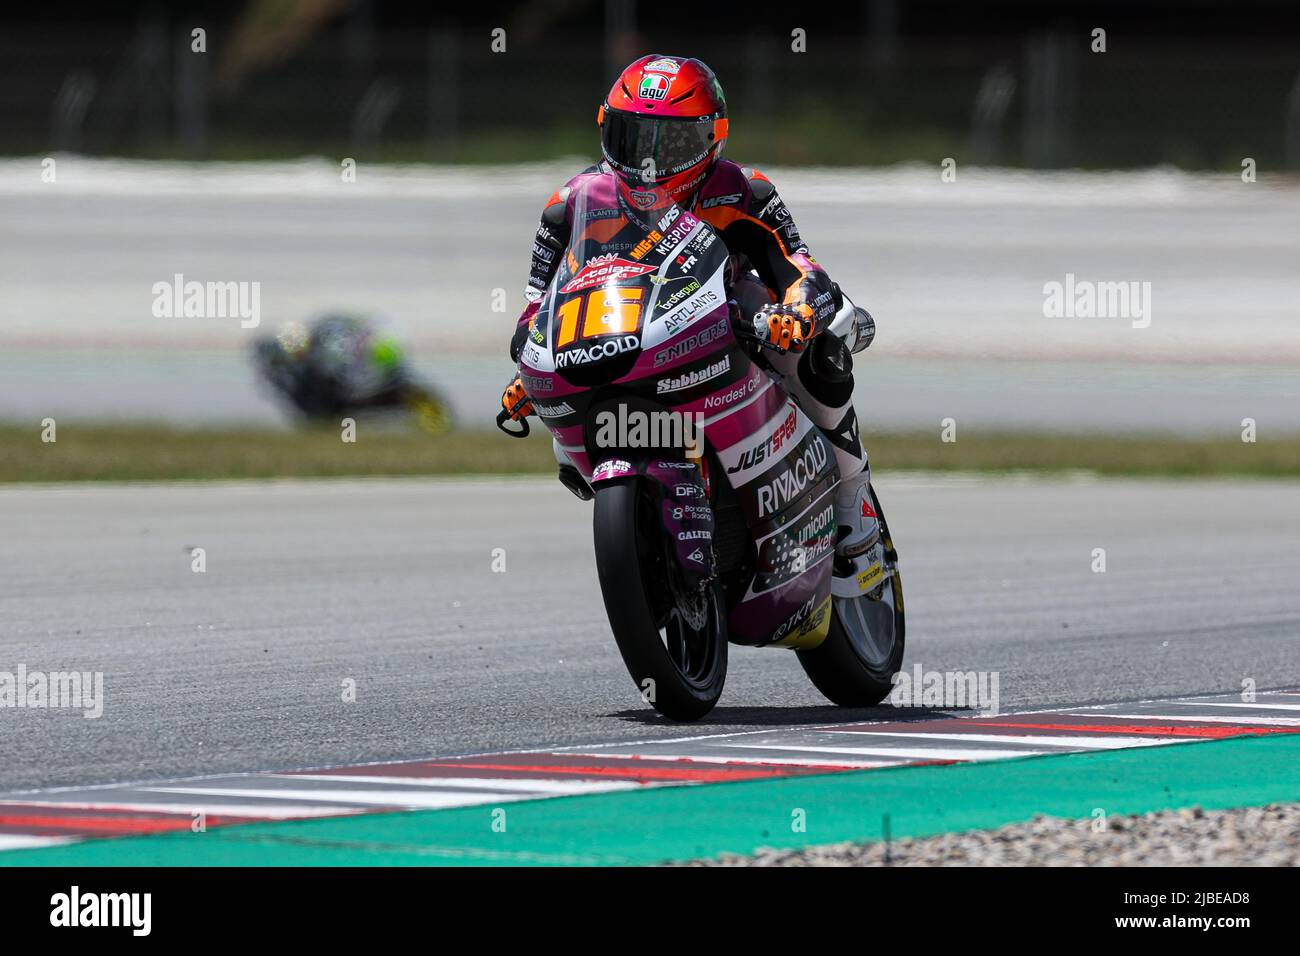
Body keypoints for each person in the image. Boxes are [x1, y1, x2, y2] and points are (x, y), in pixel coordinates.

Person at [501, 54, 882, 596]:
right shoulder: (571, 205)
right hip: (627, 337)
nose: (651, 162)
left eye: (672, 144)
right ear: (606, 129)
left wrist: (796, 313)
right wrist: (526, 363)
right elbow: (536, 305)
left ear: (712, 139)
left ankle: (852, 498)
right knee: (560, 443)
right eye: (635, 139)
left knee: (823, 343)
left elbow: (801, 268)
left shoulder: (742, 190)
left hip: (736, 323)